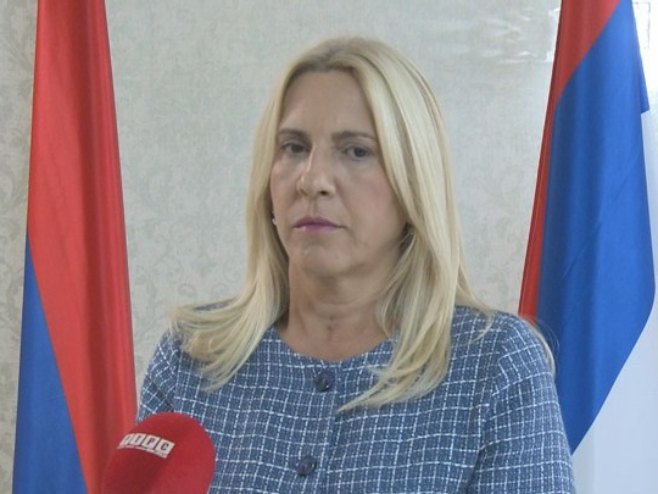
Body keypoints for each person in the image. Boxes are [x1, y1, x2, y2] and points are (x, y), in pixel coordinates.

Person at [138, 36, 575, 493]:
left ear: (413, 184)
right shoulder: (193, 356)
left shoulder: (493, 364)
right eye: (293, 147)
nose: (312, 180)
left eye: (356, 151)